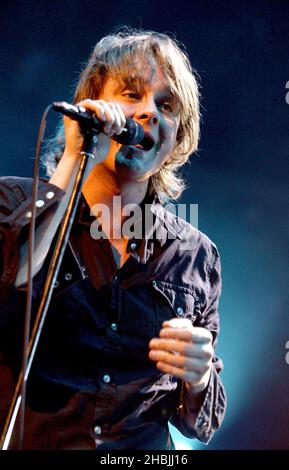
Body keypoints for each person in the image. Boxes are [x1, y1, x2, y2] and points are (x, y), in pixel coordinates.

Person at [0, 28, 226, 450]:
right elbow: (13, 276)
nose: (149, 113)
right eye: (130, 94)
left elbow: (202, 424)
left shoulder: (196, 255)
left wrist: (198, 378)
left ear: (178, 135)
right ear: (93, 102)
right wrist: (76, 156)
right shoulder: (12, 201)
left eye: (166, 105)